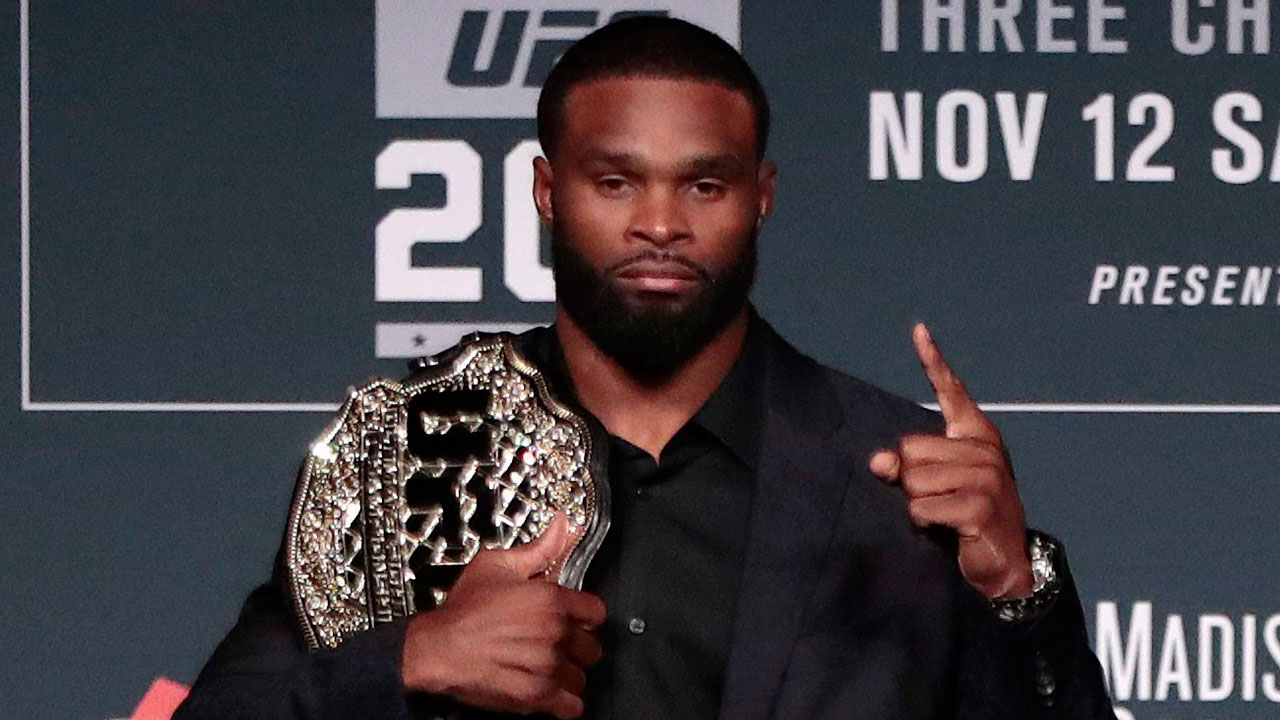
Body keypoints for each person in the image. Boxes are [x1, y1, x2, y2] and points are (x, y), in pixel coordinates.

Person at [175, 16, 1115, 720]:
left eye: (704, 184)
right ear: (548, 191)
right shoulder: (417, 453)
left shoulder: (903, 488)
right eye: (615, 181)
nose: (660, 224)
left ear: (761, 197)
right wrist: (414, 658)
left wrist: (1015, 587)